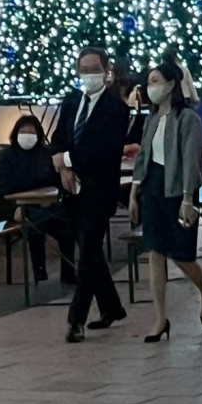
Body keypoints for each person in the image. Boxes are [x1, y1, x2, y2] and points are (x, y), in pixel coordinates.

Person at [128, 61, 202, 341]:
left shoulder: (188, 119)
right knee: (154, 252)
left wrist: (189, 198)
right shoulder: (152, 119)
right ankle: (160, 318)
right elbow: (143, 156)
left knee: (181, 255)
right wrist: (133, 192)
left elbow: (191, 161)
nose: (150, 87)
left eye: (155, 81)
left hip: (178, 190)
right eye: (148, 81)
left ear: (169, 85)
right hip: (153, 187)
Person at [51, 45, 130, 343]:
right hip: (72, 190)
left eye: (94, 68)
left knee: (88, 252)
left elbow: (104, 151)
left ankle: (76, 320)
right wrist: (60, 163)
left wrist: (67, 161)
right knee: (90, 250)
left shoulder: (116, 109)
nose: (89, 74)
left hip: (99, 190)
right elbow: (59, 138)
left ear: (106, 70)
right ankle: (111, 307)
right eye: (84, 69)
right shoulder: (71, 103)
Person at [0, 116, 76, 285]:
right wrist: (12, 209)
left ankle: (68, 273)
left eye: (31, 132)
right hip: (21, 207)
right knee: (35, 225)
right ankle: (39, 271)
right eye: (23, 131)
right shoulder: (6, 157)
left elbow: (55, 181)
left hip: (49, 205)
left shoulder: (46, 154)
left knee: (67, 227)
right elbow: (1, 188)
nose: (27, 135)